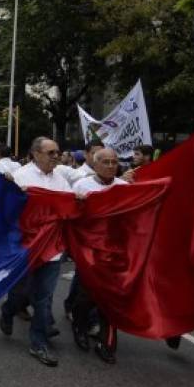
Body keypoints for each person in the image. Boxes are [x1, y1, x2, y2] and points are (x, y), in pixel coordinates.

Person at [0, 136, 72, 367]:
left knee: (44, 297)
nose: (56, 157)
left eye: (57, 152)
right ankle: (8, 310)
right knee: (21, 292)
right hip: (26, 248)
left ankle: (38, 342)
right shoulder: (20, 177)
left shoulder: (62, 178)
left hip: (52, 250)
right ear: (35, 154)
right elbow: (7, 211)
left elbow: (70, 204)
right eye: (51, 153)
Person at [70, 148, 128, 363]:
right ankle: (79, 325)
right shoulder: (82, 186)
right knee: (87, 296)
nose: (111, 165)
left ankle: (107, 343)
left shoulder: (124, 188)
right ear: (95, 164)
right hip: (89, 252)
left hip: (117, 253)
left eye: (114, 162)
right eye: (106, 161)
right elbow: (72, 216)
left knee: (111, 299)